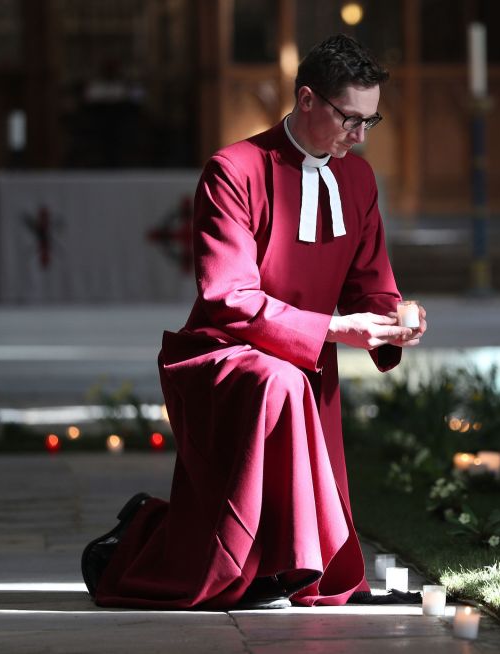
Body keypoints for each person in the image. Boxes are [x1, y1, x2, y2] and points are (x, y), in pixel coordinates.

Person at [81, 34, 426, 610]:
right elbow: (229, 298)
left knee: (289, 381)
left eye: (372, 121)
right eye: (349, 119)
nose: (360, 136)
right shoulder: (233, 169)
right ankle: (150, 547)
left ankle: (265, 565)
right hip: (222, 353)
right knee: (280, 382)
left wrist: (399, 318)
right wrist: (336, 331)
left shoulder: (358, 180)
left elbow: (371, 281)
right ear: (308, 99)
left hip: (303, 355)